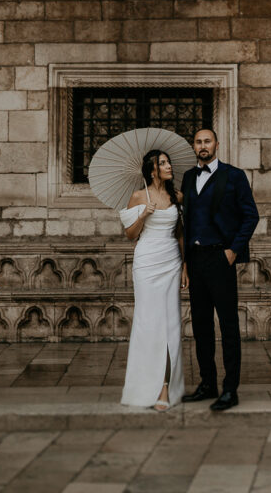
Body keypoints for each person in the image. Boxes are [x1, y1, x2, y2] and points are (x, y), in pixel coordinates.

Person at [181, 128, 259, 411]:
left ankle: (230, 389)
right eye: (198, 142)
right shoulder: (188, 177)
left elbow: (251, 216)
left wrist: (232, 250)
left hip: (220, 258)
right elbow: (187, 222)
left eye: (207, 141)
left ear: (216, 144)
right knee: (201, 326)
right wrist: (185, 263)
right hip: (196, 260)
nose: (203, 145)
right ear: (194, 146)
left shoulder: (234, 175)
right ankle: (208, 383)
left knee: (228, 326)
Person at [119, 149, 188, 410]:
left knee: (170, 324)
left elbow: (180, 233)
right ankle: (143, 385)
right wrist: (143, 215)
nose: (169, 166)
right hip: (147, 263)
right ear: (152, 170)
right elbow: (130, 235)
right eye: (163, 163)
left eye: (168, 162)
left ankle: (166, 387)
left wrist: (185, 266)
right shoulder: (138, 196)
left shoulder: (177, 196)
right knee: (148, 324)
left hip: (171, 262)